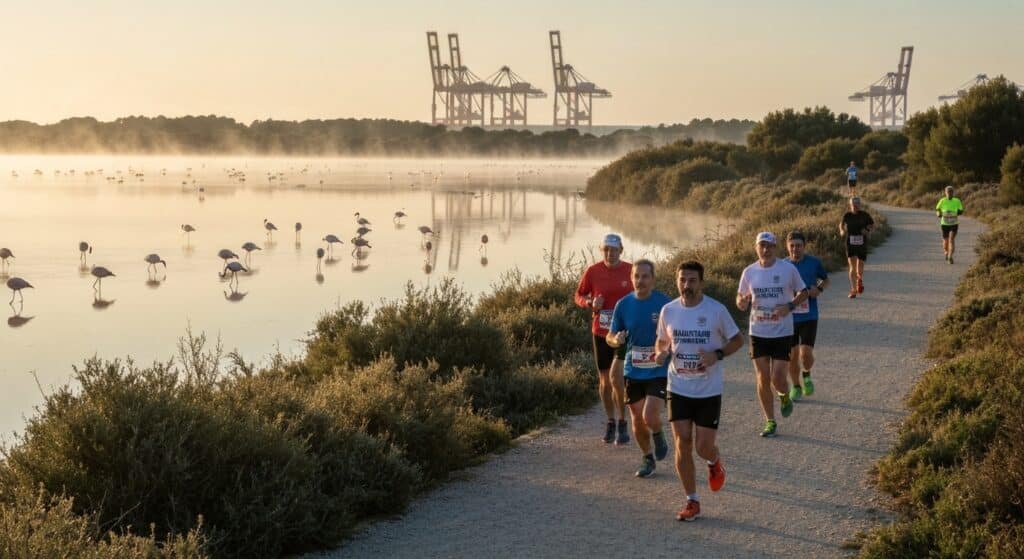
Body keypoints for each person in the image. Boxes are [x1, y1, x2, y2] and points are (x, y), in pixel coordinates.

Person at [655, 261, 743, 521]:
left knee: (703, 447)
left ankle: (714, 462)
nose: (686, 285)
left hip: (708, 389)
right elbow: (661, 340)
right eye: (682, 280)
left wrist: (717, 354)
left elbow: (738, 340)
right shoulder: (668, 310)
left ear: (701, 283)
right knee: (682, 441)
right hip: (678, 385)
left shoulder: (716, 310)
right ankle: (692, 500)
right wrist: (660, 352)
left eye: (692, 280)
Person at [736, 232, 809, 438]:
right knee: (762, 377)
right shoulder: (749, 271)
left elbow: (803, 291)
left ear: (776, 248)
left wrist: (790, 305)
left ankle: (784, 396)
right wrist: (740, 301)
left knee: (778, 378)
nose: (766, 250)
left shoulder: (788, 269)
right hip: (758, 331)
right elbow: (741, 295)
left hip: (782, 331)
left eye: (769, 246)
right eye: (762, 246)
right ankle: (770, 420)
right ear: (756, 248)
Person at [607, 259, 672, 477]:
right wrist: (616, 340)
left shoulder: (665, 304)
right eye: (636, 276)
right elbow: (610, 336)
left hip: (658, 369)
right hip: (633, 369)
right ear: (631, 278)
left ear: (653, 279)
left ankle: (658, 432)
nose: (640, 281)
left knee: (650, 415)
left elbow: (677, 333)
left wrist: (666, 350)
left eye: (645, 276)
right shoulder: (623, 305)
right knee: (636, 418)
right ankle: (647, 457)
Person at [575, 233, 633, 445]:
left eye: (614, 250)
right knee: (604, 381)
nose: (610, 254)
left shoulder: (630, 270)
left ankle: (622, 421)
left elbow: (641, 294)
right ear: (602, 251)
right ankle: (610, 421)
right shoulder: (593, 271)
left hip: (623, 333)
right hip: (600, 331)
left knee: (617, 379)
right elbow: (579, 295)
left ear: (621, 250)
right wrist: (590, 303)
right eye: (606, 250)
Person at [783, 231, 829, 401]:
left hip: (809, 315)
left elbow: (825, 280)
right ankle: (795, 386)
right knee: (792, 356)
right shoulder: (782, 265)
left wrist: (819, 289)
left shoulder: (814, 262)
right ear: (787, 247)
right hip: (789, 317)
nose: (796, 249)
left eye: (799, 245)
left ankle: (807, 375)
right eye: (792, 246)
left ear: (804, 246)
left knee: (806, 354)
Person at [840, 197, 874, 298]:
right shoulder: (847, 215)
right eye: (853, 205)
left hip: (862, 243)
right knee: (852, 267)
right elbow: (841, 225)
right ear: (850, 205)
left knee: (860, 266)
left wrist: (867, 230)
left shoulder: (865, 215)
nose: (855, 207)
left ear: (860, 205)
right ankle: (853, 290)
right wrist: (842, 231)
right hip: (850, 243)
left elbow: (872, 225)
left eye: (857, 205)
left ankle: (859, 279)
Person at [936, 185, 964, 264]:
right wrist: (939, 214)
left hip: (954, 223)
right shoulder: (942, 200)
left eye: (951, 192)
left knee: (951, 239)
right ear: (945, 193)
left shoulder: (957, 201)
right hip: (944, 223)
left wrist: (956, 213)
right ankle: (946, 252)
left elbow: (961, 210)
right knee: (946, 242)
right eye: (948, 192)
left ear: (953, 193)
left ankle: (950, 256)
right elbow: (937, 209)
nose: (949, 193)